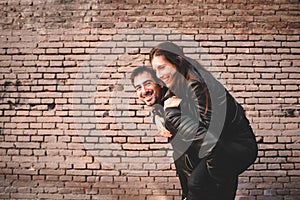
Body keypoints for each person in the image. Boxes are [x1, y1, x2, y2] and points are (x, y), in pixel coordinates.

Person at [147, 42, 258, 200]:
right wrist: (158, 118)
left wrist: (182, 104)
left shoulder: (197, 84)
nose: (159, 75)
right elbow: (159, 101)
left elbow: (210, 127)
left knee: (198, 184)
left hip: (237, 145)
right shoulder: (178, 80)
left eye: (162, 67)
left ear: (177, 61)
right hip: (217, 144)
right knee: (189, 175)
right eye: (155, 70)